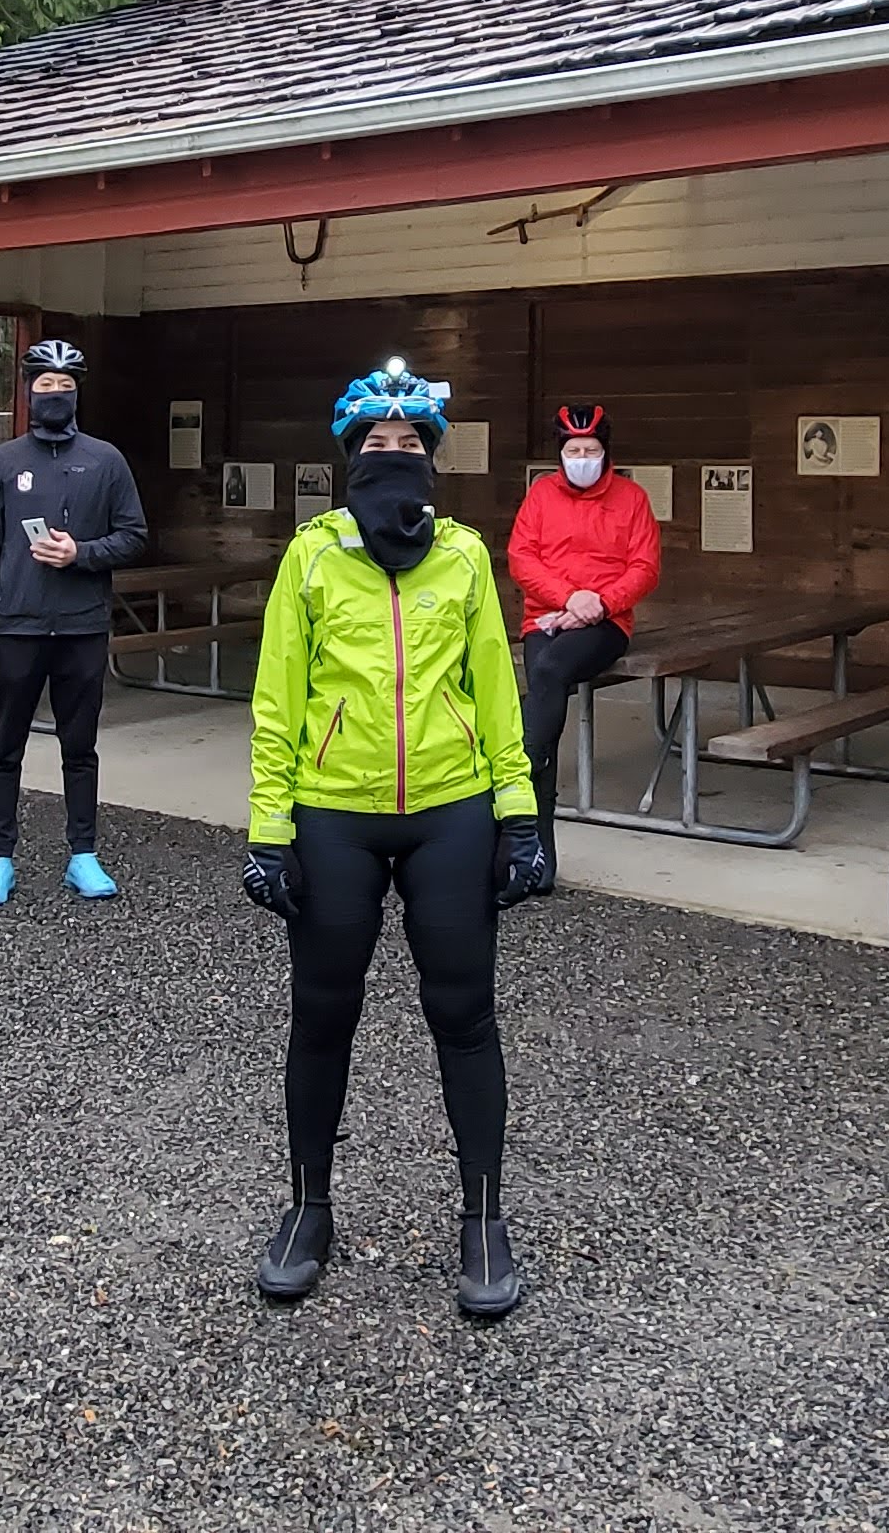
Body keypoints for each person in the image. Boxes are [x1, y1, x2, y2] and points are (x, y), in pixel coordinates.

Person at [238, 362, 558, 1320]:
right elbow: (276, 698)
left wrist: (521, 815)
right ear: (348, 460)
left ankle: (485, 1221)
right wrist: (268, 830)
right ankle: (306, 1210)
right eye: (375, 448)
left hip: (451, 811)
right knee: (322, 1014)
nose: (392, 459)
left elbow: (500, 693)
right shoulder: (310, 557)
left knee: (464, 1014)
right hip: (334, 808)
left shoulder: (463, 558)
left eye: (410, 446)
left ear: (434, 460)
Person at [0, 338, 151, 906]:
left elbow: (135, 536)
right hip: (15, 627)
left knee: (81, 746)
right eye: (45, 385)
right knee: (4, 747)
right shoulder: (3, 463)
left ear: (77, 394)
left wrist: (82, 554)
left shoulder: (106, 460)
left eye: (65, 387)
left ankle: (83, 854)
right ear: (28, 391)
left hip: (81, 627)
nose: (55, 394)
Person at [503, 404, 657, 856]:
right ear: (561, 454)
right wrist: (569, 597)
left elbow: (645, 567)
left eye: (591, 449)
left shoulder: (632, 498)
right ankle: (538, 852)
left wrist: (599, 604)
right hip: (547, 617)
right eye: (574, 449)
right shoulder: (540, 497)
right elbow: (522, 558)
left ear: (605, 452)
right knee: (548, 688)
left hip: (607, 623)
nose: (583, 457)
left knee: (547, 675)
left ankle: (521, 768)